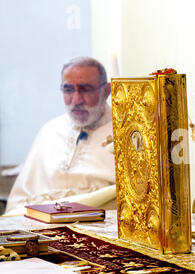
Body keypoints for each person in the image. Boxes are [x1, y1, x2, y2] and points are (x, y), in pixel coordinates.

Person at [4, 57, 116, 215]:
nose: (76, 100)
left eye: (85, 89)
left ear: (106, 91)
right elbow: (19, 202)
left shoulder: (123, 132)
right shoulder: (49, 131)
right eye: (68, 89)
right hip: (41, 223)